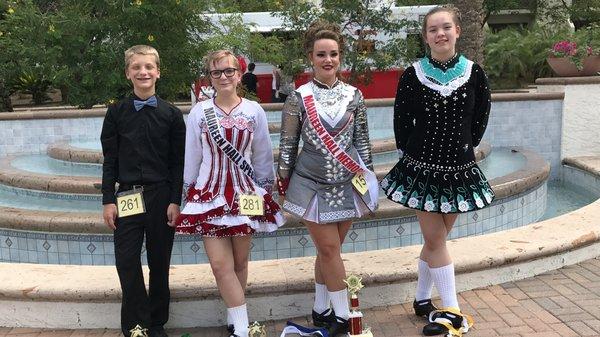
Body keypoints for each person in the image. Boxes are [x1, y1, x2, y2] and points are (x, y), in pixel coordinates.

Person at [380, 6, 493, 336]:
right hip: (422, 169)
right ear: (425, 36)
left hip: (458, 170)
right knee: (436, 238)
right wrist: (411, 155)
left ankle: (420, 299)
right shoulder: (412, 74)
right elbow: (401, 121)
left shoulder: (474, 73)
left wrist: (464, 147)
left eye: (446, 27)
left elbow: (480, 118)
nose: (440, 34)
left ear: (457, 30)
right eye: (433, 29)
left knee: (436, 241)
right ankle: (453, 310)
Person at [277, 20, 378, 337]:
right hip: (310, 183)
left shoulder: (355, 95)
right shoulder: (298, 97)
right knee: (332, 252)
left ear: (340, 57)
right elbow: (288, 144)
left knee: (328, 252)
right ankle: (346, 319)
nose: (328, 60)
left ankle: (321, 309)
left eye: (333, 54)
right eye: (321, 54)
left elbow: (362, 139)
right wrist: (283, 181)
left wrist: (369, 177)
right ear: (311, 57)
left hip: (348, 183)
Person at [175, 50, 284, 337]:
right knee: (219, 265)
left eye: (228, 71)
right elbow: (192, 157)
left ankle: (233, 317)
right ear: (209, 77)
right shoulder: (199, 112)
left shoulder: (253, 110)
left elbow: (262, 155)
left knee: (240, 263)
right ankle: (244, 329)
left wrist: (267, 190)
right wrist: (186, 195)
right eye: (216, 72)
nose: (223, 77)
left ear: (239, 73)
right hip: (209, 194)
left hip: (244, 194)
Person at [101, 45, 185, 337]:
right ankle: (136, 325)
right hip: (127, 197)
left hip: (161, 195)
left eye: (148, 67)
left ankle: (157, 321)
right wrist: (107, 201)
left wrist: (175, 200)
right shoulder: (116, 113)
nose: (143, 72)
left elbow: (178, 164)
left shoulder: (172, 115)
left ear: (158, 72)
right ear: (128, 73)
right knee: (126, 260)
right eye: (136, 67)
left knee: (159, 261)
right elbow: (109, 160)